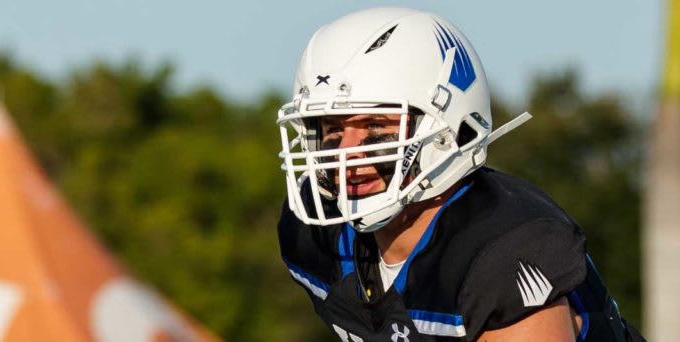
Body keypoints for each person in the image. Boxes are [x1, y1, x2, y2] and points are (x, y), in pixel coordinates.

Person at [274, 7, 644, 341]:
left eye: (375, 126)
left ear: (450, 129)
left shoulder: (501, 250)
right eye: (332, 130)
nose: (345, 153)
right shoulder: (314, 233)